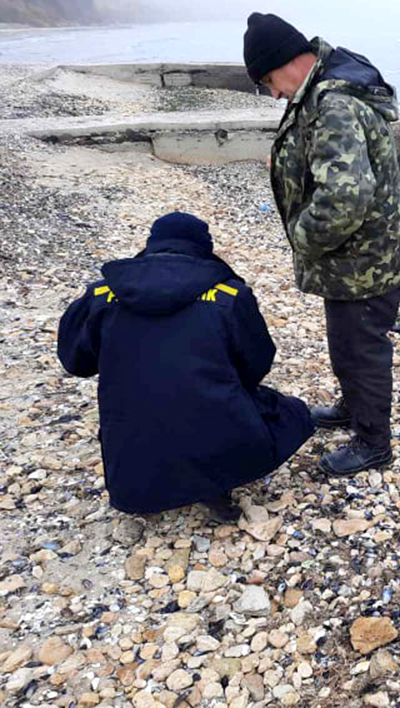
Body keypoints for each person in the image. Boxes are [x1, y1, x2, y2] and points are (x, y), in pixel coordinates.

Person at [56, 212, 315, 521]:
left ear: (152, 244)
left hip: (131, 459)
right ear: (204, 247)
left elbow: (75, 362)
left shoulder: (102, 295)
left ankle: (150, 477)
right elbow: (256, 364)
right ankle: (216, 482)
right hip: (213, 431)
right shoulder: (230, 295)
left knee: (138, 414)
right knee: (292, 414)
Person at [243, 12, 400, 476]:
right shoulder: (322, 90)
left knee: (362, 350)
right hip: (353, 260)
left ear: (286, 61)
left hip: (364, 263)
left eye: (268, 81)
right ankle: (354, 409)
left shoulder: (333, 103)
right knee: (346, 344)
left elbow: (345, 198)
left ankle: (374, 442)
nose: (274, 94)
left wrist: (302, 239)